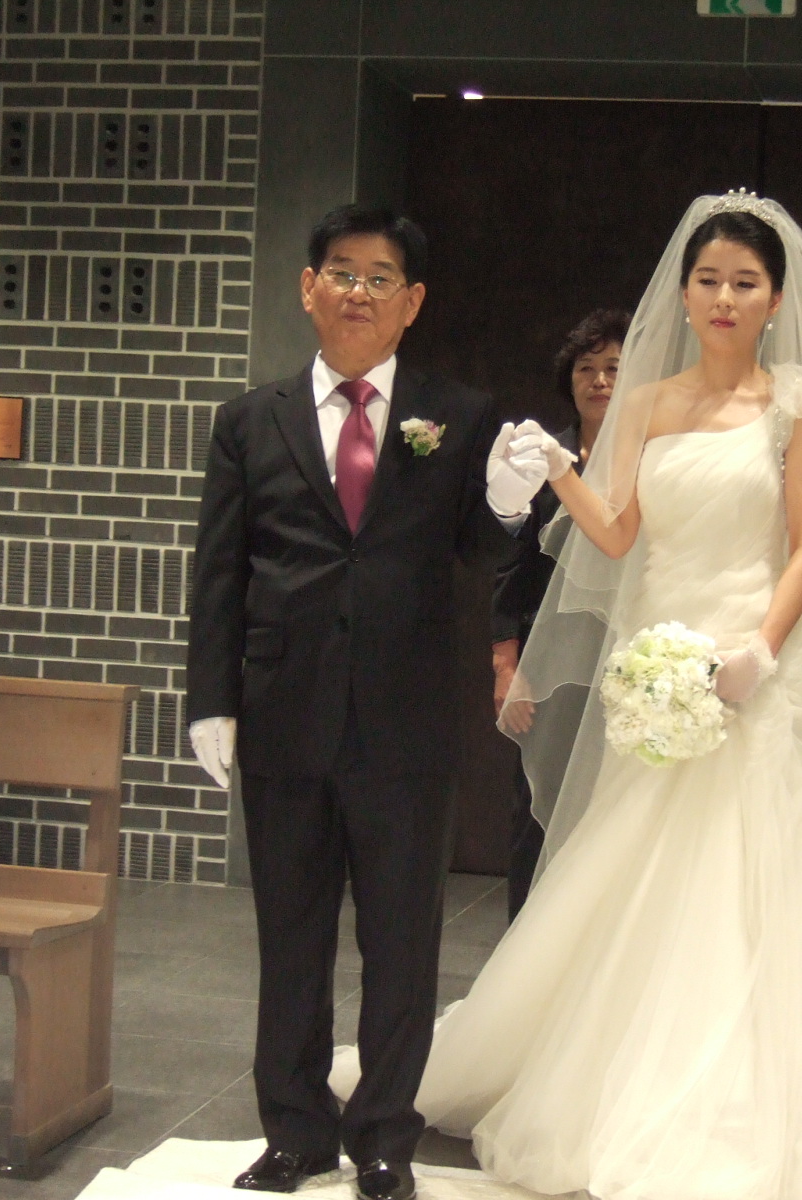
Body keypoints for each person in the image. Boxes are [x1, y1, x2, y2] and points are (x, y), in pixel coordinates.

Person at [410, 194, 802, 1200]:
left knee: (755, 867)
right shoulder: (644, 401)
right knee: (639, 856)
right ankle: (617, 1075)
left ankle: (748, 1098)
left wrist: (759, 650)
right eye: (708, 279)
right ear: (682, 293)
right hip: (659, 655)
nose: (725, 298)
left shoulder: (800, 402)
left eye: (745, 283)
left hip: (757, 664)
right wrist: (561, 470)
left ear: (775, 300)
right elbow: (616, 531)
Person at [185, 204, 554, 1200]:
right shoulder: (250, 419)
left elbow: (478, 548)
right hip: (284, 711)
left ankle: (384, 1136)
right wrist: (211, 699)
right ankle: (295, 1131)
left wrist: (507, 501)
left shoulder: (455, 413)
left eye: (380, 276)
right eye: (340, 272)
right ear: (307, 288)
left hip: (406, 720)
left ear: (412, 302)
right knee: (290, 936)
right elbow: (220, 572)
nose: (358, 291)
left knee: (402, 940)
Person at [492, 308, 627, 919]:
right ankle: (525, 945)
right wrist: (508, 666)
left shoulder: (650, 457)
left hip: (628, 659)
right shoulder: (541, 457)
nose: (599, 380)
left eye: (614, 368)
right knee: (537, 807)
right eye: (586, 368)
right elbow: (510, 566)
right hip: (549, 663)